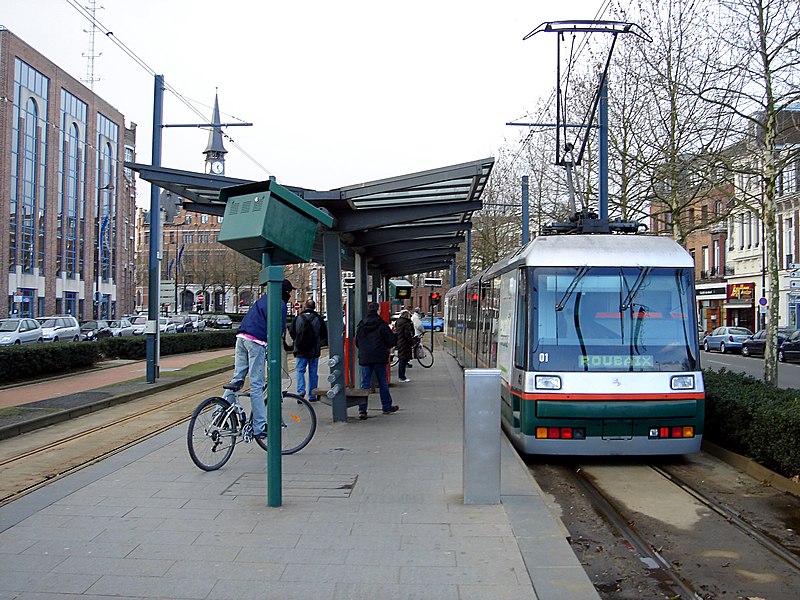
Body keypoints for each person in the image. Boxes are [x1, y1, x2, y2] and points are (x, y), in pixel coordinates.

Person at [223, 278, 293, 439]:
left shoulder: (263, 299)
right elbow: (279, 330)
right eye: (289, 292)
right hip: (256, 342)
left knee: (237, 379)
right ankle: (259, 427)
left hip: (241, 338)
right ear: (285, 292)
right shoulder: (280, 304)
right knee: (257, 385)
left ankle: (219, 412)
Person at [355, 302, 399, 420]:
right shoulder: (382, 325)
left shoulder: (361, 325)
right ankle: (386, 406)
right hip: (379, 357)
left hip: (365, 358)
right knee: (382, 383)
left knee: (365, 384)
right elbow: (391, 341)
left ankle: (362, 409)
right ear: (378, 311)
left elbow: (357, 343)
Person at [289, 298, 327, 401]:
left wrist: (298, 342)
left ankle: (301, 391)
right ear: (314, 307)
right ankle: (312, 394)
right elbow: (324, 334)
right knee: (313, 372)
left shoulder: (298, 318)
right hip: (314, 351)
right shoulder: (318, 319)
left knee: (300, 371)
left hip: (300, 350)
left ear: (305, 307)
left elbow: (292, 333)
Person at [393, 309, 415, 382]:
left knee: (402, 359)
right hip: (405, 343)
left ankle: (401, 376)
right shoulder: (407, 323)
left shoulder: (398, 322)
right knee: (403, 360)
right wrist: (411, 342)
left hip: (400, 342)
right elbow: (407, 335)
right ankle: (402, 377)